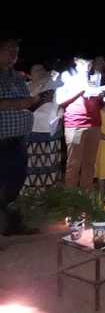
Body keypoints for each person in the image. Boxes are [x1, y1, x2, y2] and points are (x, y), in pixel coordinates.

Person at [0, 37, 50, 235]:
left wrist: (41, 101)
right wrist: (26, 102)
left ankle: (12, 225)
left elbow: (27, 104)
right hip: (1, 140)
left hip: (19, 139)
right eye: (9, 49)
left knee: (15, 183)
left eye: (16, 50)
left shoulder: (17, 77)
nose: (14, 54)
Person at [56, 57, 105, 190]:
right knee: (74, 163)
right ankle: (70, 198)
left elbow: (99, 103)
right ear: (76, 61)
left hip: (94, 125)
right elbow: (59, 100)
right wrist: (81, 89)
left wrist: (102, 96)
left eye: (89, 63)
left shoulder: (95, 77)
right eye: (84, 63)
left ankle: (86, 195)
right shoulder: (67, 77)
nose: (87, 66)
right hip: (75, 125)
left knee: (89, 163)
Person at [23, 63, 64, 196]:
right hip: (31, 131)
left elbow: (61, 103)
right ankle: (30, 195)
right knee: (32, 164)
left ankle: (47, 195)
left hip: (49, 131)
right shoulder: (25, 87)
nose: (40, 72)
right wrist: (40, 100)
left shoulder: (53, 85)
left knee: (49, 164)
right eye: (36, 70)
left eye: (42, 69)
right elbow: (24, 108)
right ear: (30, 74)